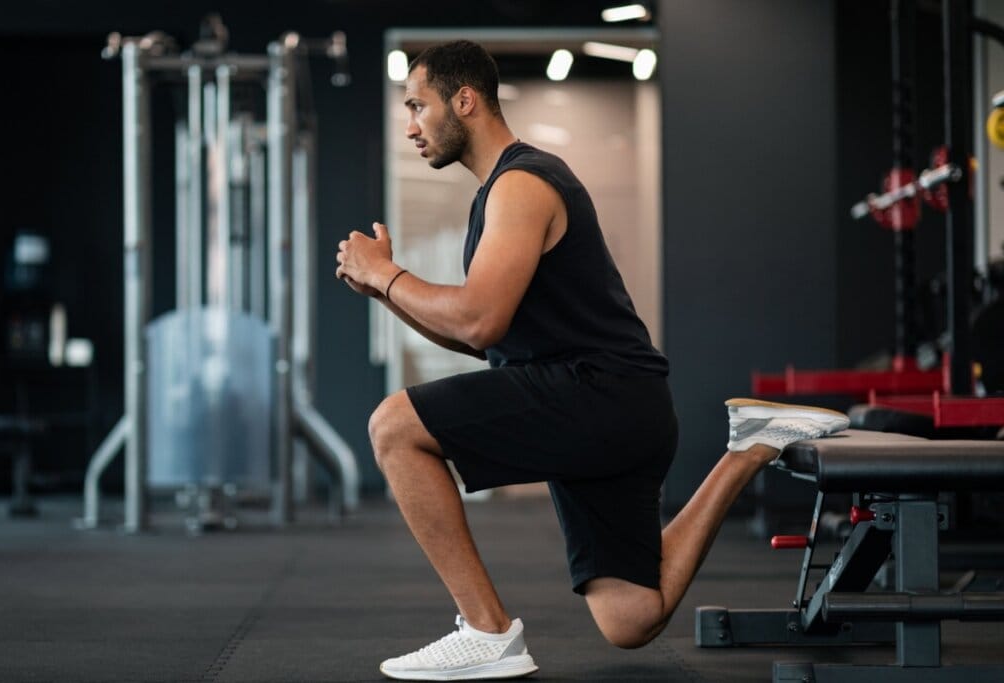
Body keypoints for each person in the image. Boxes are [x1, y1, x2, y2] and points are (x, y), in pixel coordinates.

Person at [335, 40, 848, 681]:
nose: (410, 125)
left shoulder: (521, 185)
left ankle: (487, 632)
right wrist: (383, 290)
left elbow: (476, 319)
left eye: (418, 105)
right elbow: (481, 339)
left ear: (464, 101)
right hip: (616, 404)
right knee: (631, 618)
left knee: (393, 426)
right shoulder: (501, 191)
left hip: (597, 395)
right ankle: (748, 450)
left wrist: (387, 276)